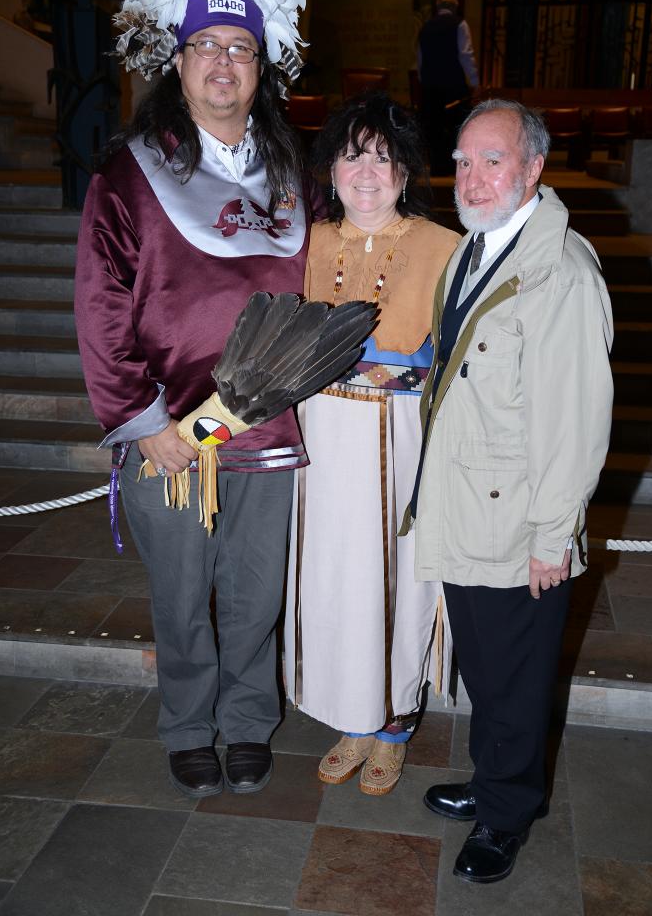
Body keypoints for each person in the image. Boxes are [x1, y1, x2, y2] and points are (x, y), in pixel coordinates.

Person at [75, 0, 316, 799]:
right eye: (206, 46)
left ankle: (247, 720)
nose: (223, 62)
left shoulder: (295, 177)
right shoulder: (128, 175)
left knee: (255, 595)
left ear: (261, 68)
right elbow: (101, 306)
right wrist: (142, 424)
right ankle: (187, 725)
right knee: (181, 599)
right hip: (171, 436)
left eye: (240, 48)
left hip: (271, 431)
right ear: (177, 64)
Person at [402, 99, 613, 881]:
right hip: (468, 504)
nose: (471, 176)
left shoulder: (560, 273)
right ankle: (495, 779)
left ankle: (506, 813)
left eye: (492, 161)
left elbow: (575, 421)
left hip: (519, 522)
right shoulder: (477, 247)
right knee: (488, 668)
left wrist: (552, 536)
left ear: (531, 170)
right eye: (462, 160)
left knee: (515, 677)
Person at [284, 91, 460, 795]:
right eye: (352, 157)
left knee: (394, 581)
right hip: (319, 441)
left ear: (405, 172)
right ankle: (351, 718)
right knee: (334, 578)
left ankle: (391, 725)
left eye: (382, 159)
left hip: (400, 439)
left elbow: (466, 356)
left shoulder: (444, 247)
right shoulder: (305, 243)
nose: (366, 173)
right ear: (330, 169)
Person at [417, 0, 479, 175]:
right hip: (453, 86)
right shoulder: (460, 24)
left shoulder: (425, 27)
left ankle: (437, 167)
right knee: (455, 127)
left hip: (430, 87)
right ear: (455, 6)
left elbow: (420, 59)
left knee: (434, 128)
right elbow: (466, 55)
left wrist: (423, 81)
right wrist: (474, 82)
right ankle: (454, 168)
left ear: (437, 7)